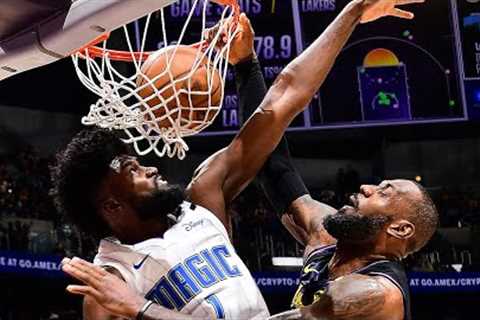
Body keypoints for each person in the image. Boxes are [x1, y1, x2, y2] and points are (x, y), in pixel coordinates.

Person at [58, 0, 424, 319]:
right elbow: (277, 165)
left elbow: (284, 100)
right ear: (110, 203)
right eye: (133, 170)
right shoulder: (110, 280)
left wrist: (354, 10)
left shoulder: (202, 203)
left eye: (384, 190)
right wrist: (245, 64)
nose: (151, 167)